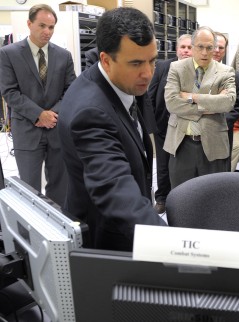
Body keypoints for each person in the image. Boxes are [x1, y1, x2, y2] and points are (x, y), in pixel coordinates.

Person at [58, 7, 167, 251]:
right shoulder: (91, 112)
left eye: (152, 61)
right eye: (137, 63)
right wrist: (176, 247)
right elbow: (117, 192)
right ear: (106, 60)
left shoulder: (121, 81)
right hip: (109, 240)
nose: (148, 73)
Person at [0, 4, 76, 206]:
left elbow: (71, 89)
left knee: (60, 186)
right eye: (42, 25)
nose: (47, 31)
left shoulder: (63, 55)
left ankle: (59, 228)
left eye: (51, 27)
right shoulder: (8, 54)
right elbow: (9, 92)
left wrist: (52, 114)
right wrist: (38, 114)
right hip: (26, 130)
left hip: (56, 128)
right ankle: (30, 233)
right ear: (29, 23)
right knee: (29, 189)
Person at [163, 26, 236, 188]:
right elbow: (172, 103)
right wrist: (211, 104)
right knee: (181, 197)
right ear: (193, 46)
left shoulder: (226, 71)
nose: (204, 52)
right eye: (200, 47)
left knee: (213, 198)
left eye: (209, 48)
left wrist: (192, 97)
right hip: (181, 144)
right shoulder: (177, 68)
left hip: (213, 143)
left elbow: (228, 103)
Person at [148, 34, 192, 214]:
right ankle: (162, 198)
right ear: (177, 49)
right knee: (164, 166)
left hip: (187, 127)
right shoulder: (163, 67)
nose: (186, 51)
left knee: (183, 166)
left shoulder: (197, 70)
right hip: (164, 126)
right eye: (183, 47)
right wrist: (152, 126)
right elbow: (150, 97)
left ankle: (183, 198)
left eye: (190, 47)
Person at [213, 32, 239, 170]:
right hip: (198, 134)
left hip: (224, 131)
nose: (216, 50)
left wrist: (221, 120)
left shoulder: (234, 76)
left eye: (221, 48)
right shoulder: (194, 73)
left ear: (225, 50)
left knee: (221, 172)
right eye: (214, 46)